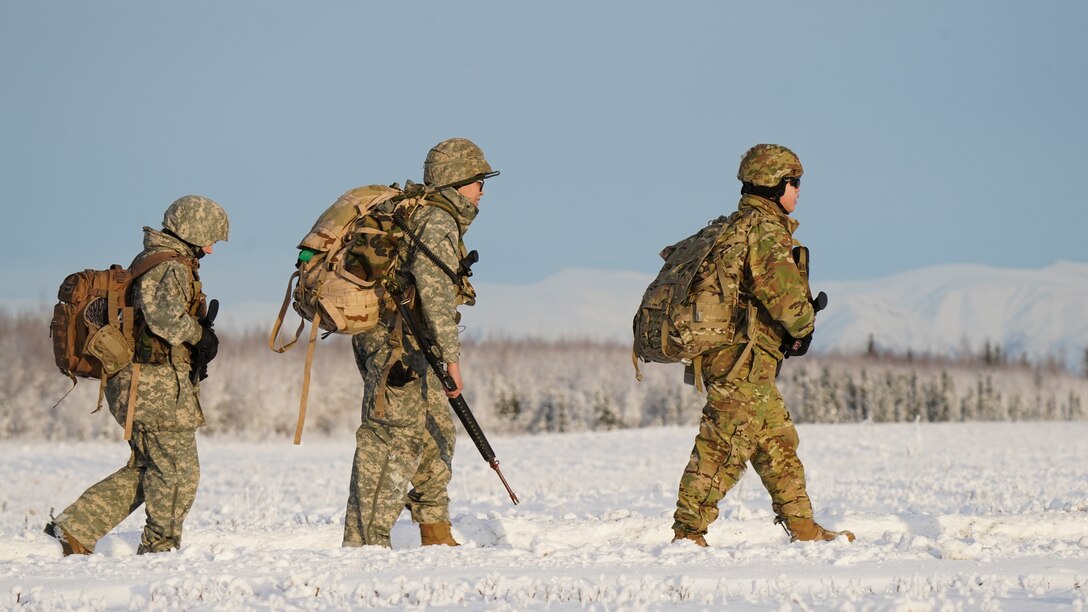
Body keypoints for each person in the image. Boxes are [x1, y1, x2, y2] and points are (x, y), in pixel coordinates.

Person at [671, 144, 854, 546]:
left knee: (776, 441)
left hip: (742, 358)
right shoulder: (765, 231)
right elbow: (787, 301)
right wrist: (803, 326)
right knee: (723, 447)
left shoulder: (732, 225)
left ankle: (803, 527)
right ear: (776, 185)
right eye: (795, 182)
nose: (799, 190)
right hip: (742, 361)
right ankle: (687, 534)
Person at [45, 195, 229, 556]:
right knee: (177, 472)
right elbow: (164, 319)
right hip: (154, 386)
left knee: (148, 468)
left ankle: (73, 530)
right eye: (210, 239)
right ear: (191, 231)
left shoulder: (153, 261)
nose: (211, 248)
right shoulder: (169, 267)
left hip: (141, 383)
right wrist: (200, 337)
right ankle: (160, 551)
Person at [343, 138, 497, 548]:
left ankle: (435, 531)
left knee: (436, 431)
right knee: (392, 440)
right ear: (458, 181)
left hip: (404, 344)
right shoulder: (437, 221)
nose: (483, 190)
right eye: (479, 181)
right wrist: (452, 360)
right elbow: (436, 297)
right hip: (398, 347)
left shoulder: (419, 214)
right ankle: (363, 547)